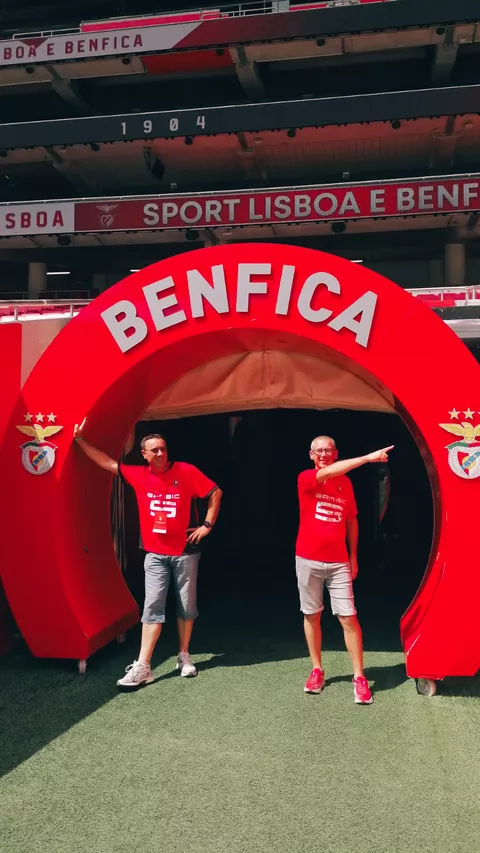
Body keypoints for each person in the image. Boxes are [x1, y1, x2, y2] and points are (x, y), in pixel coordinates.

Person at [73, 418, 222, 689]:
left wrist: (207, 525)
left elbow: (215, 492)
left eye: (163, 448)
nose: (161, 454)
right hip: (154, 553)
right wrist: (81, 441)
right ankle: (143, 666)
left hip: (185, 551)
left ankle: (184, 655)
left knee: (186, 606)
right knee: (152, 606)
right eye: (154, 450)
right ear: (144, 454)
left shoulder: (186, 471)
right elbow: (107, 463)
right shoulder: (139, 474)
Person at [296, 435, 393, 704]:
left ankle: (359, 677)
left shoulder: (346, 483)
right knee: (311, 614)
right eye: (319, 451)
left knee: (348, 617)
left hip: (338, 562)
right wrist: (366, 458)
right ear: (311, 454)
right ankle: (316, 669)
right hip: (307, 559)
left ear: (336, 452)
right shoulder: (306, 477)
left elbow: (351, 520)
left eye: (328, 450)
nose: (323, 454)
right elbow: (327, 473)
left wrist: (353, 555)